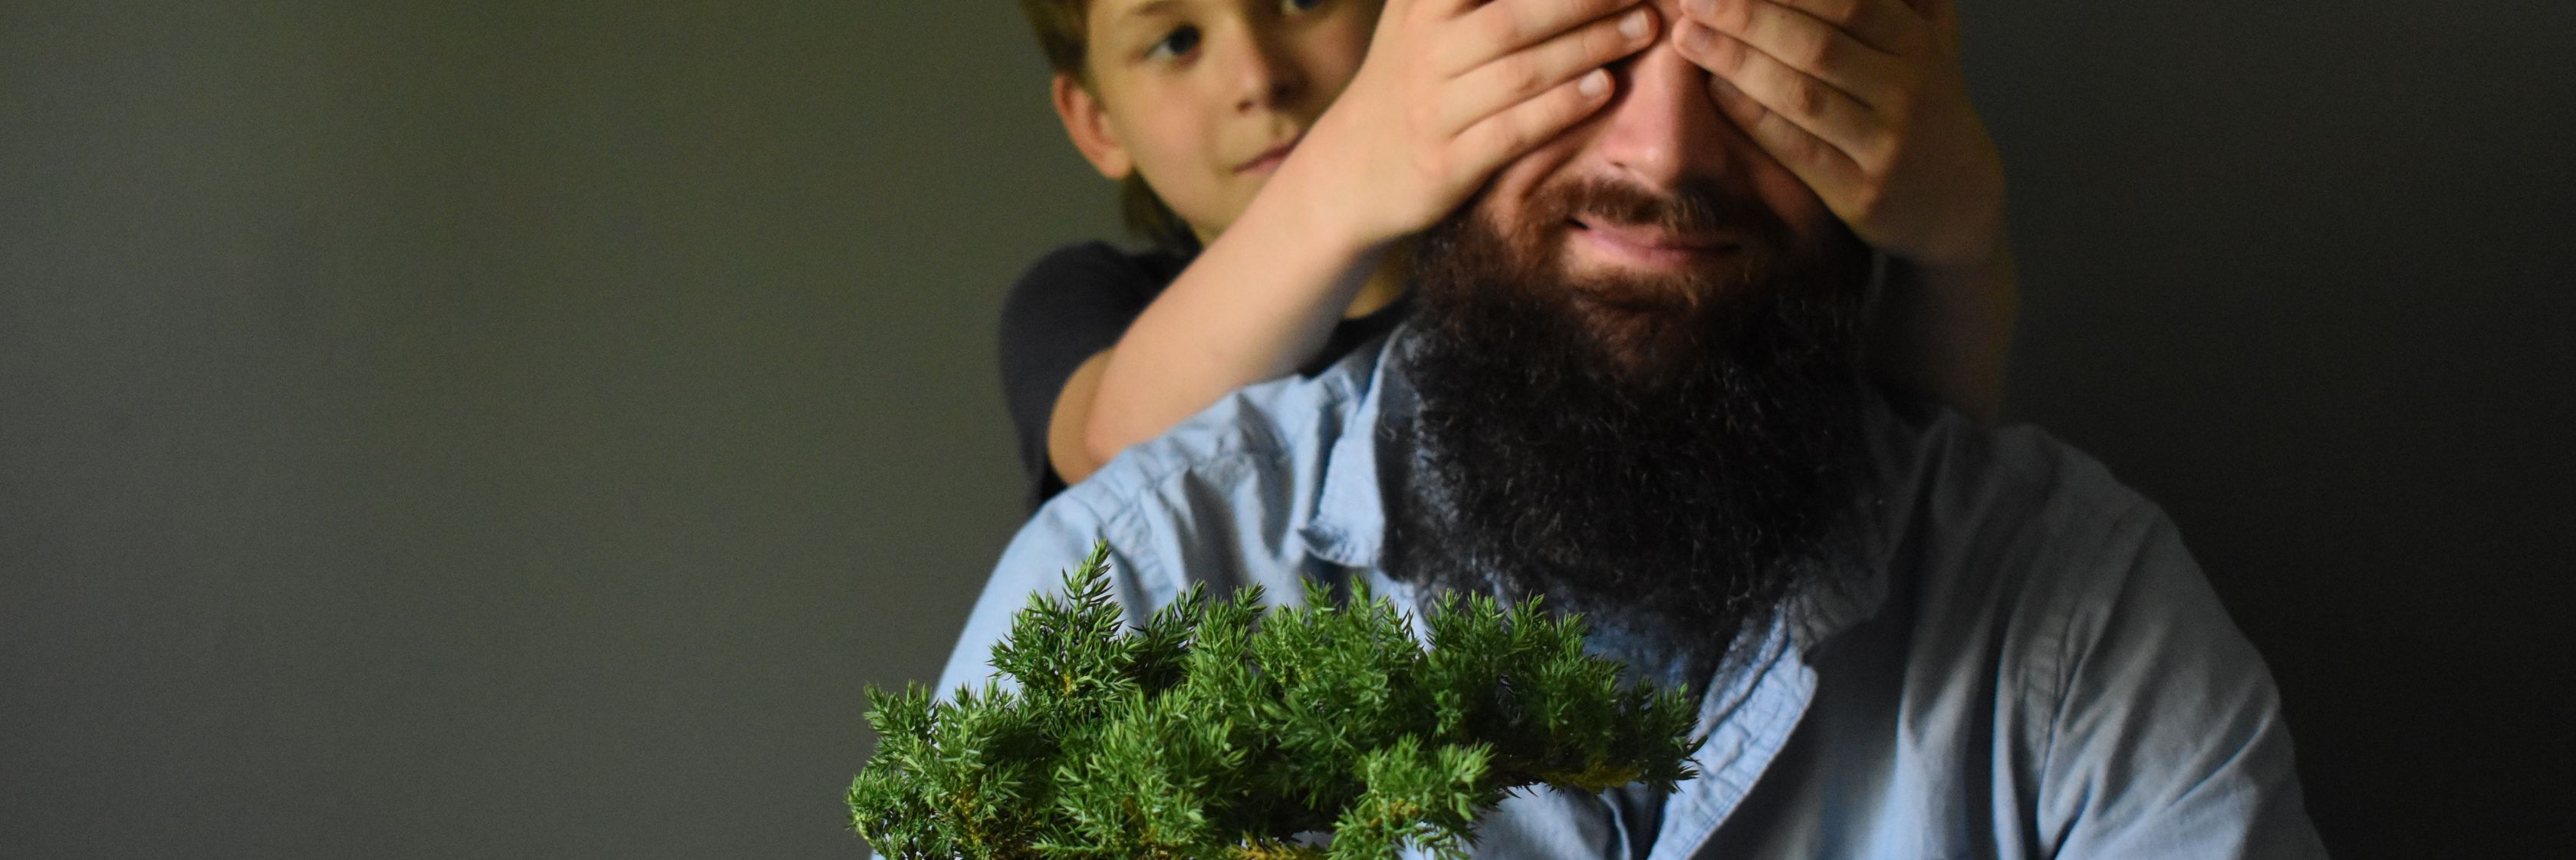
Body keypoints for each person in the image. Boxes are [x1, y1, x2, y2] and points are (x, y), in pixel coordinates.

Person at [939, 0, 2330, 855]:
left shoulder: (2081, 624)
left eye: (1754, 51)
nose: (1661, 154)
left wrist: (1956, 231)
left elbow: (1921, 445)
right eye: (1582, 41)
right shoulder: (1132, 583)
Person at [999, 0, 2018, 508]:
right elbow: (1120, 451)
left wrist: (1959, 237)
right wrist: (1358, 161)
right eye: (1177, 41)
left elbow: (1910, 437)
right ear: (1095, 124)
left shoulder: (1525, 249)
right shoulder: (1082, 298)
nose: (1259, 76)